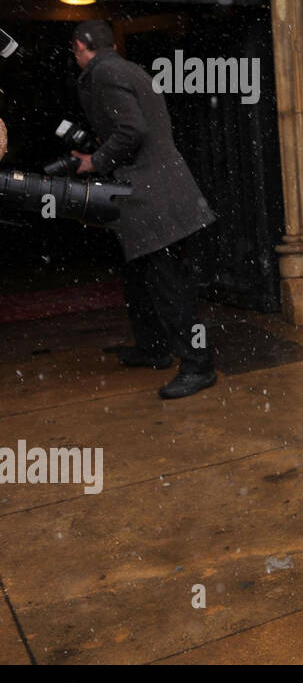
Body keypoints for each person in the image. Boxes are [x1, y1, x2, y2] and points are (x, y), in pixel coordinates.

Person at [71, 20, 218, 400]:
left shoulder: (104, 73)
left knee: (168, 284)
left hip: (151, 196)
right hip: (157, 190)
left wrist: (96, 160)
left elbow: (132, 129)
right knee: (140, 278)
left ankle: (198, 366)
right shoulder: (129, 68)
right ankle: (153, 348)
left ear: (79, 47)